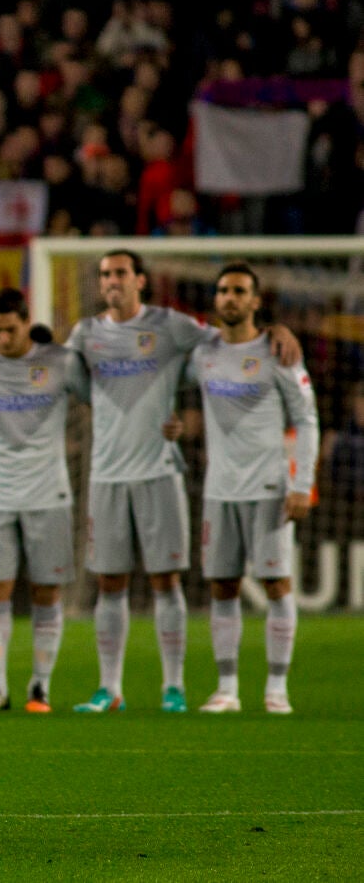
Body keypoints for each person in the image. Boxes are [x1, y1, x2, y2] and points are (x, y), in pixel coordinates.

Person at [60, 251, 297, 714]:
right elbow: (77, 387)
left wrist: (278, 331)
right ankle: (110, 689)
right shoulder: (85, 334)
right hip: (106, 472)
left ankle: (175, 687)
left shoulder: (171, 325)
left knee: (166, 581)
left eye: (121, 273)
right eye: (105, 274)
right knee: (110, 582)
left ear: (140, 281)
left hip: (159, 471)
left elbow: (232, 342)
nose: (111, 281)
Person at [0, 290, 88, 712]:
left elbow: (98, 395)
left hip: (49, 492)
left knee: (46, 592)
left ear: (26, 322)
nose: (2, 339)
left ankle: (39, 689)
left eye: (9, 330)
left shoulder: (59, 362)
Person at [188, 264, 318, 715]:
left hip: (267, 486)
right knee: (222, 587)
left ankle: (277, 689)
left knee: (277, 584)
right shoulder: (202, 353)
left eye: (240, 291)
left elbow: (306, 419)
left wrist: (302, 483)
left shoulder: (279, 352)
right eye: (223, 290)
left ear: (256, 301)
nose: (230, 298)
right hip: (219, 490)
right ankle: (227, 689)